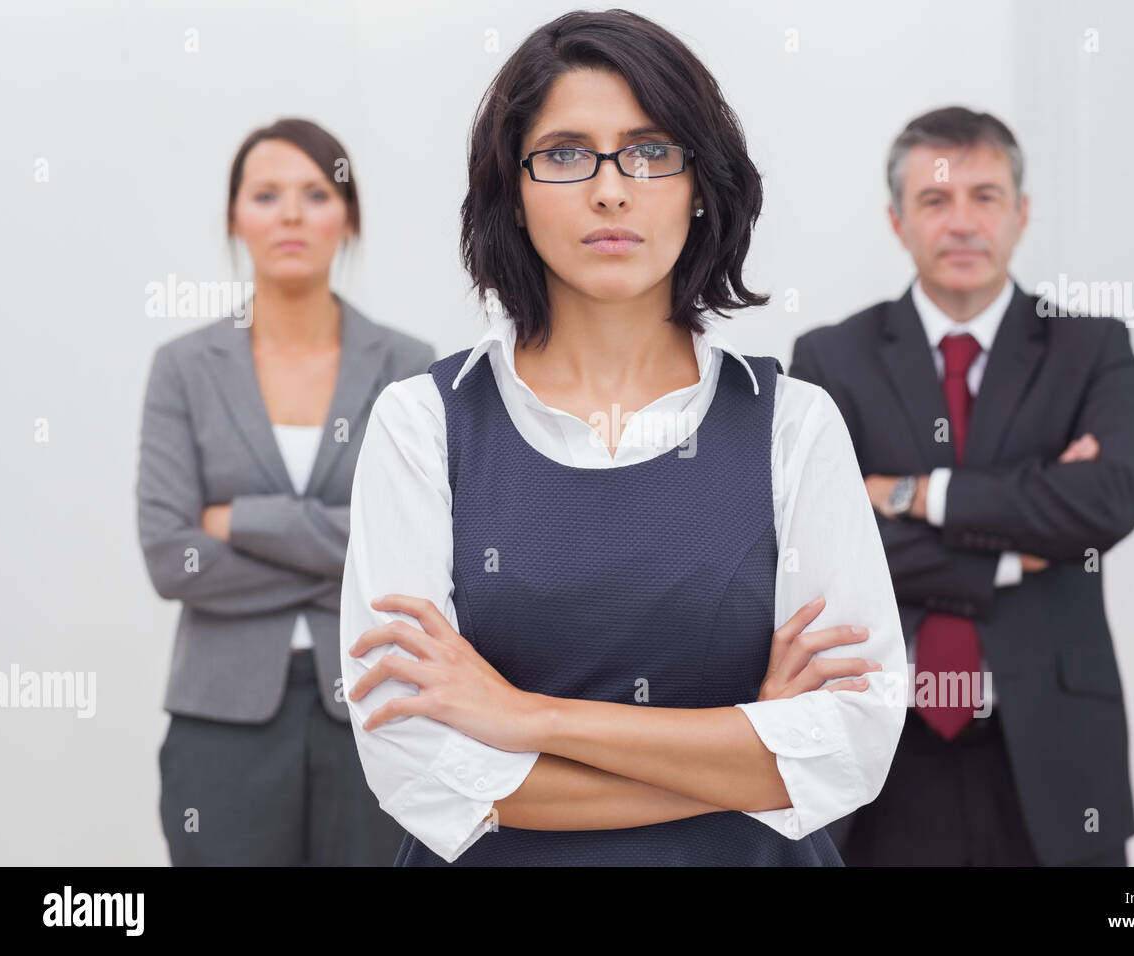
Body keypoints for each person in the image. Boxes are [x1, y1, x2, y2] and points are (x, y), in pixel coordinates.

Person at [339, 9, 908, 866]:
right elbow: (418, 768)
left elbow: (853, 744)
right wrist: (747, 754)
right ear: (513, 191)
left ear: (701, 185)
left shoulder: (793, 423)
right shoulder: (422, 422)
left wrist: (531, 719)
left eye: (650, 151)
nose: (611, 188)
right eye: (567, 153)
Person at [791, 106, 1134, 866]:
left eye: (984, 196)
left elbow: (1106, 500)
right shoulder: (830, 358)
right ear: (897, 221)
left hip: (1051, 757)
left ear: (1020, 214)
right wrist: (1015, 550)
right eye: (935, 199)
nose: (961, 222)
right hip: (884, 759)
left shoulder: (1092, 347)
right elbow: (815, 545)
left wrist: (911, 494)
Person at [137, 118, 435, 865]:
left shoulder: (408, 364)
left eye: (316, 192)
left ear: (350, 216)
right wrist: (340, 551)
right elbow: (174, 559)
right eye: (267, 195)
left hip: (376, 710)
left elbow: (410, 554)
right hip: (222, 720)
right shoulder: (183, 368)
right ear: (236, 217)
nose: (292, 215)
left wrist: (239, 518)